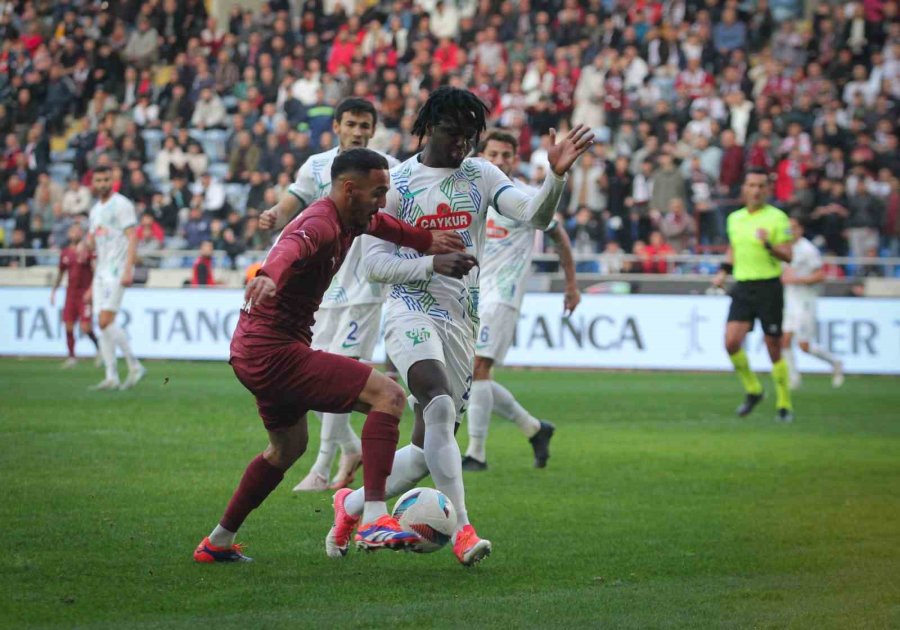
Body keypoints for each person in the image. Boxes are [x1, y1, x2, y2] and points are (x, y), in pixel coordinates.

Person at [326, 87, 593, 566]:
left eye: (470, 138)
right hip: (410, 310)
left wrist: (554, 176)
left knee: (428, 450)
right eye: (454, 135)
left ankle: (349, 504)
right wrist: (432, 263)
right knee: (437, 398)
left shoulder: (482, 175)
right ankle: (465, 530)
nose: (461, 147)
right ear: (429, 128)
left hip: (461, 321)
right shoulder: (398, 183)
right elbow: (375, 266)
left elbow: (535, 216)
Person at [193, 148, 468, 562]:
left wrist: (428, 241)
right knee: (389, 396)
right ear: (349, 188)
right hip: (274, 352)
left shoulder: (353, 216)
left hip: (254, 351)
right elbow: (294, 247)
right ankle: (374, 515)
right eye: (377, 193)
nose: (382, 201)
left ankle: (217, 541)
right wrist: (269, 275)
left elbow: (389, 227)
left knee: (286, 449)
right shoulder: (321, 222)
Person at [259, 98, 400, 493]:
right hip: (325, 290)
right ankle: (350, 447)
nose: (358, 131)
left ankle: (321, 468)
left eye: (365, 125)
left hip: (366, 287)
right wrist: (276, 214)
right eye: (351, 123)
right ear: (336, 125)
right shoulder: (317, 167)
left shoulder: (389, 170)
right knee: (312, 382)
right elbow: (295, 199)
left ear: (374, 129)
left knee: (343, 369)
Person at [462, 129, 580, 472]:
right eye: (493, 154)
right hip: (471, 292)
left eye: (507, 155)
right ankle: (534, 428)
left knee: (478, 368)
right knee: (471, 375)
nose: (500, 161)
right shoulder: (471, 196)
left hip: (503, 294)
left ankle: (476, 454)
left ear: (516, 159)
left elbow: (559, 237)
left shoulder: (526, 198)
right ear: (480, 157)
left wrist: (571, 285)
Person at [712, 169, 794, 422]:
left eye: (760, 185)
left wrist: (769, 245)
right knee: (731, 342)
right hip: (743, 286)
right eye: (751, 185)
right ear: (744, 189)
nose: (756, 190)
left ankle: (784, 402)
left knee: (773, 346)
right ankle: (753, 389)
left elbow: (788, 255)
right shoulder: (735, 219)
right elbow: (733, 248)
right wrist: (723, 272)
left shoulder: (777, 218)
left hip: (769, 286)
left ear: (767, 190)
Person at [83, 166, 146, 390]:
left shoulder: (122, 205)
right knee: (103, 326)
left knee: (104, 321)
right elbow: (93, 241)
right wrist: (87, 244)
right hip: (100, 272)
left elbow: (132, 238)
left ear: (112, 180)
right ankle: (111, 376)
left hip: (117, 270)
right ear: (93, 182)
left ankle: (135, 365)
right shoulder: (94, 210)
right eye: (98, 180)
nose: (102, 184)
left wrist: (128, 269)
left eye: (105, 179)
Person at [781, 217, 844, 389]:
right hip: (789, 300)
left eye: (794, 228)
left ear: (800, 229)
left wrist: (798, 280)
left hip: (805, 301)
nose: (790, 231)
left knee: (804, 346)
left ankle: (835, 362)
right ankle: (793, 379)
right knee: (784, 340)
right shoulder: (784, 248)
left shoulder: (808, 249)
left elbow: (820, 275)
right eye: (788, 229)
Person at [50, 223, 100, 368]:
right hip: (70, 293)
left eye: (77, 231)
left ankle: (100, 350)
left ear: (81, 234)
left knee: (85, 326)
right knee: (69, 325)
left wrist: (91, 290)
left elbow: (96, 272)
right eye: (72, 230)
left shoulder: (87, 252)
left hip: (84, 293)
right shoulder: (65, 252)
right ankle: (72, 356)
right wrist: (54, 291)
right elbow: (61, 273)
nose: (74, 233)